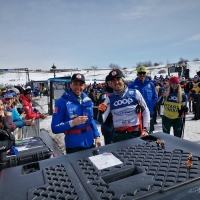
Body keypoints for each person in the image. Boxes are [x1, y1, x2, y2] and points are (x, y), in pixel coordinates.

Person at [51, 73, 101, 154]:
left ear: (84, 86)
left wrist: (97, 136)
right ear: (70, 85)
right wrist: (72, 123)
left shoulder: (87, 100)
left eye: (81, 85)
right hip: (74, 146)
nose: (78, 87)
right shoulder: (61, 102)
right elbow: (55, 128)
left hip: (89, 142)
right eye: (75, 84)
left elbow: (91, 120)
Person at [98, 69, 150, 143]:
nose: (116, 82)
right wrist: (101, 112)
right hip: (119, 135)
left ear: (122, 79)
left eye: (118, 79)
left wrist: (146, 129)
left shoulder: (135, 93)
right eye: (113, 80)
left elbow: (145, 111)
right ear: (111, 83)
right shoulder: (109, 98)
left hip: (135, 133)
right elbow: (102, 120)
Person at [128, 66, 158, 134]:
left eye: (143, 73)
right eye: (140, 73)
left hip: (149, 113)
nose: (142, 75)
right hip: (137, 114)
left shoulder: (151, 84)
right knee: (137, 134)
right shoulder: (131, 86)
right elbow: (129, 99)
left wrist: (150, 105)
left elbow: (155, 97)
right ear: (137, 74)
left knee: (149, 133)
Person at [98, 74, 114, 145]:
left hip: (114, 124)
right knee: (110, 148)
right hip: (109, 124)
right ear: (108, 82)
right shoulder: (106, 94)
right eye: (112, 81)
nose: (115, 82)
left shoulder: (114, 92)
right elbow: (106, 109)